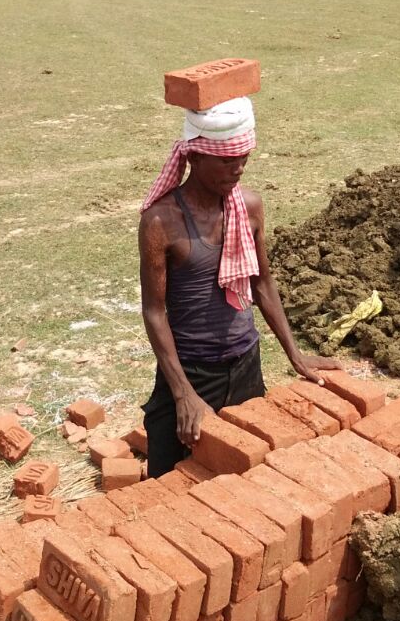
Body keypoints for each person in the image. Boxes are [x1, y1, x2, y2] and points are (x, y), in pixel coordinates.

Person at [138, 96, 337, 476]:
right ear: (195, 156)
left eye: (244, 157)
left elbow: (261, 282)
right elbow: (154, 311)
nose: (239, 168)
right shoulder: (161, 221)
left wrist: (295, 355)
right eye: (227, 160)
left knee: (244, 475)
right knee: (168, 479)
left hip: (245, 365)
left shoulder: (249, 206)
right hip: (190, 370)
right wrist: (183, 394)